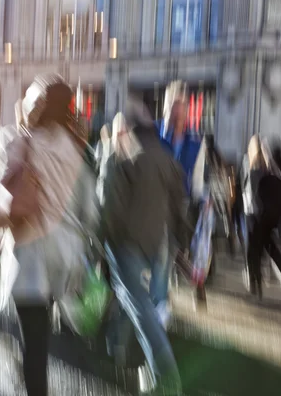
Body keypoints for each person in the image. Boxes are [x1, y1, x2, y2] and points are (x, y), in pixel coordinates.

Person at [0, 74, 98, 396]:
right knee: (39, 339)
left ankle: (32, 386)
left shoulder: (20, 141)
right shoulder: (76, 147)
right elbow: (90, 211)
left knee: (32, 346)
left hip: (30, 257)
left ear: (38, 105)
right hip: (64, 258)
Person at [101, 96, 188, 395]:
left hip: (128, 242)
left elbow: (108, 203)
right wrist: (181, 239)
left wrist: (106, 241)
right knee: (140, 301)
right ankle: (119, 347)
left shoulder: (121, 156)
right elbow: (180, 204)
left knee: (140, 306)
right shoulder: (165, 157)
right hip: (161, 242)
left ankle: (167, 378)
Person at [246, 138, 281, 303]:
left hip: (258, 218)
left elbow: (253, 196)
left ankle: (256, 288)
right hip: (271, 218)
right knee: (273, 253)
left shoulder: (256, 169)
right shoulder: (277, 170)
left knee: (253, 252)